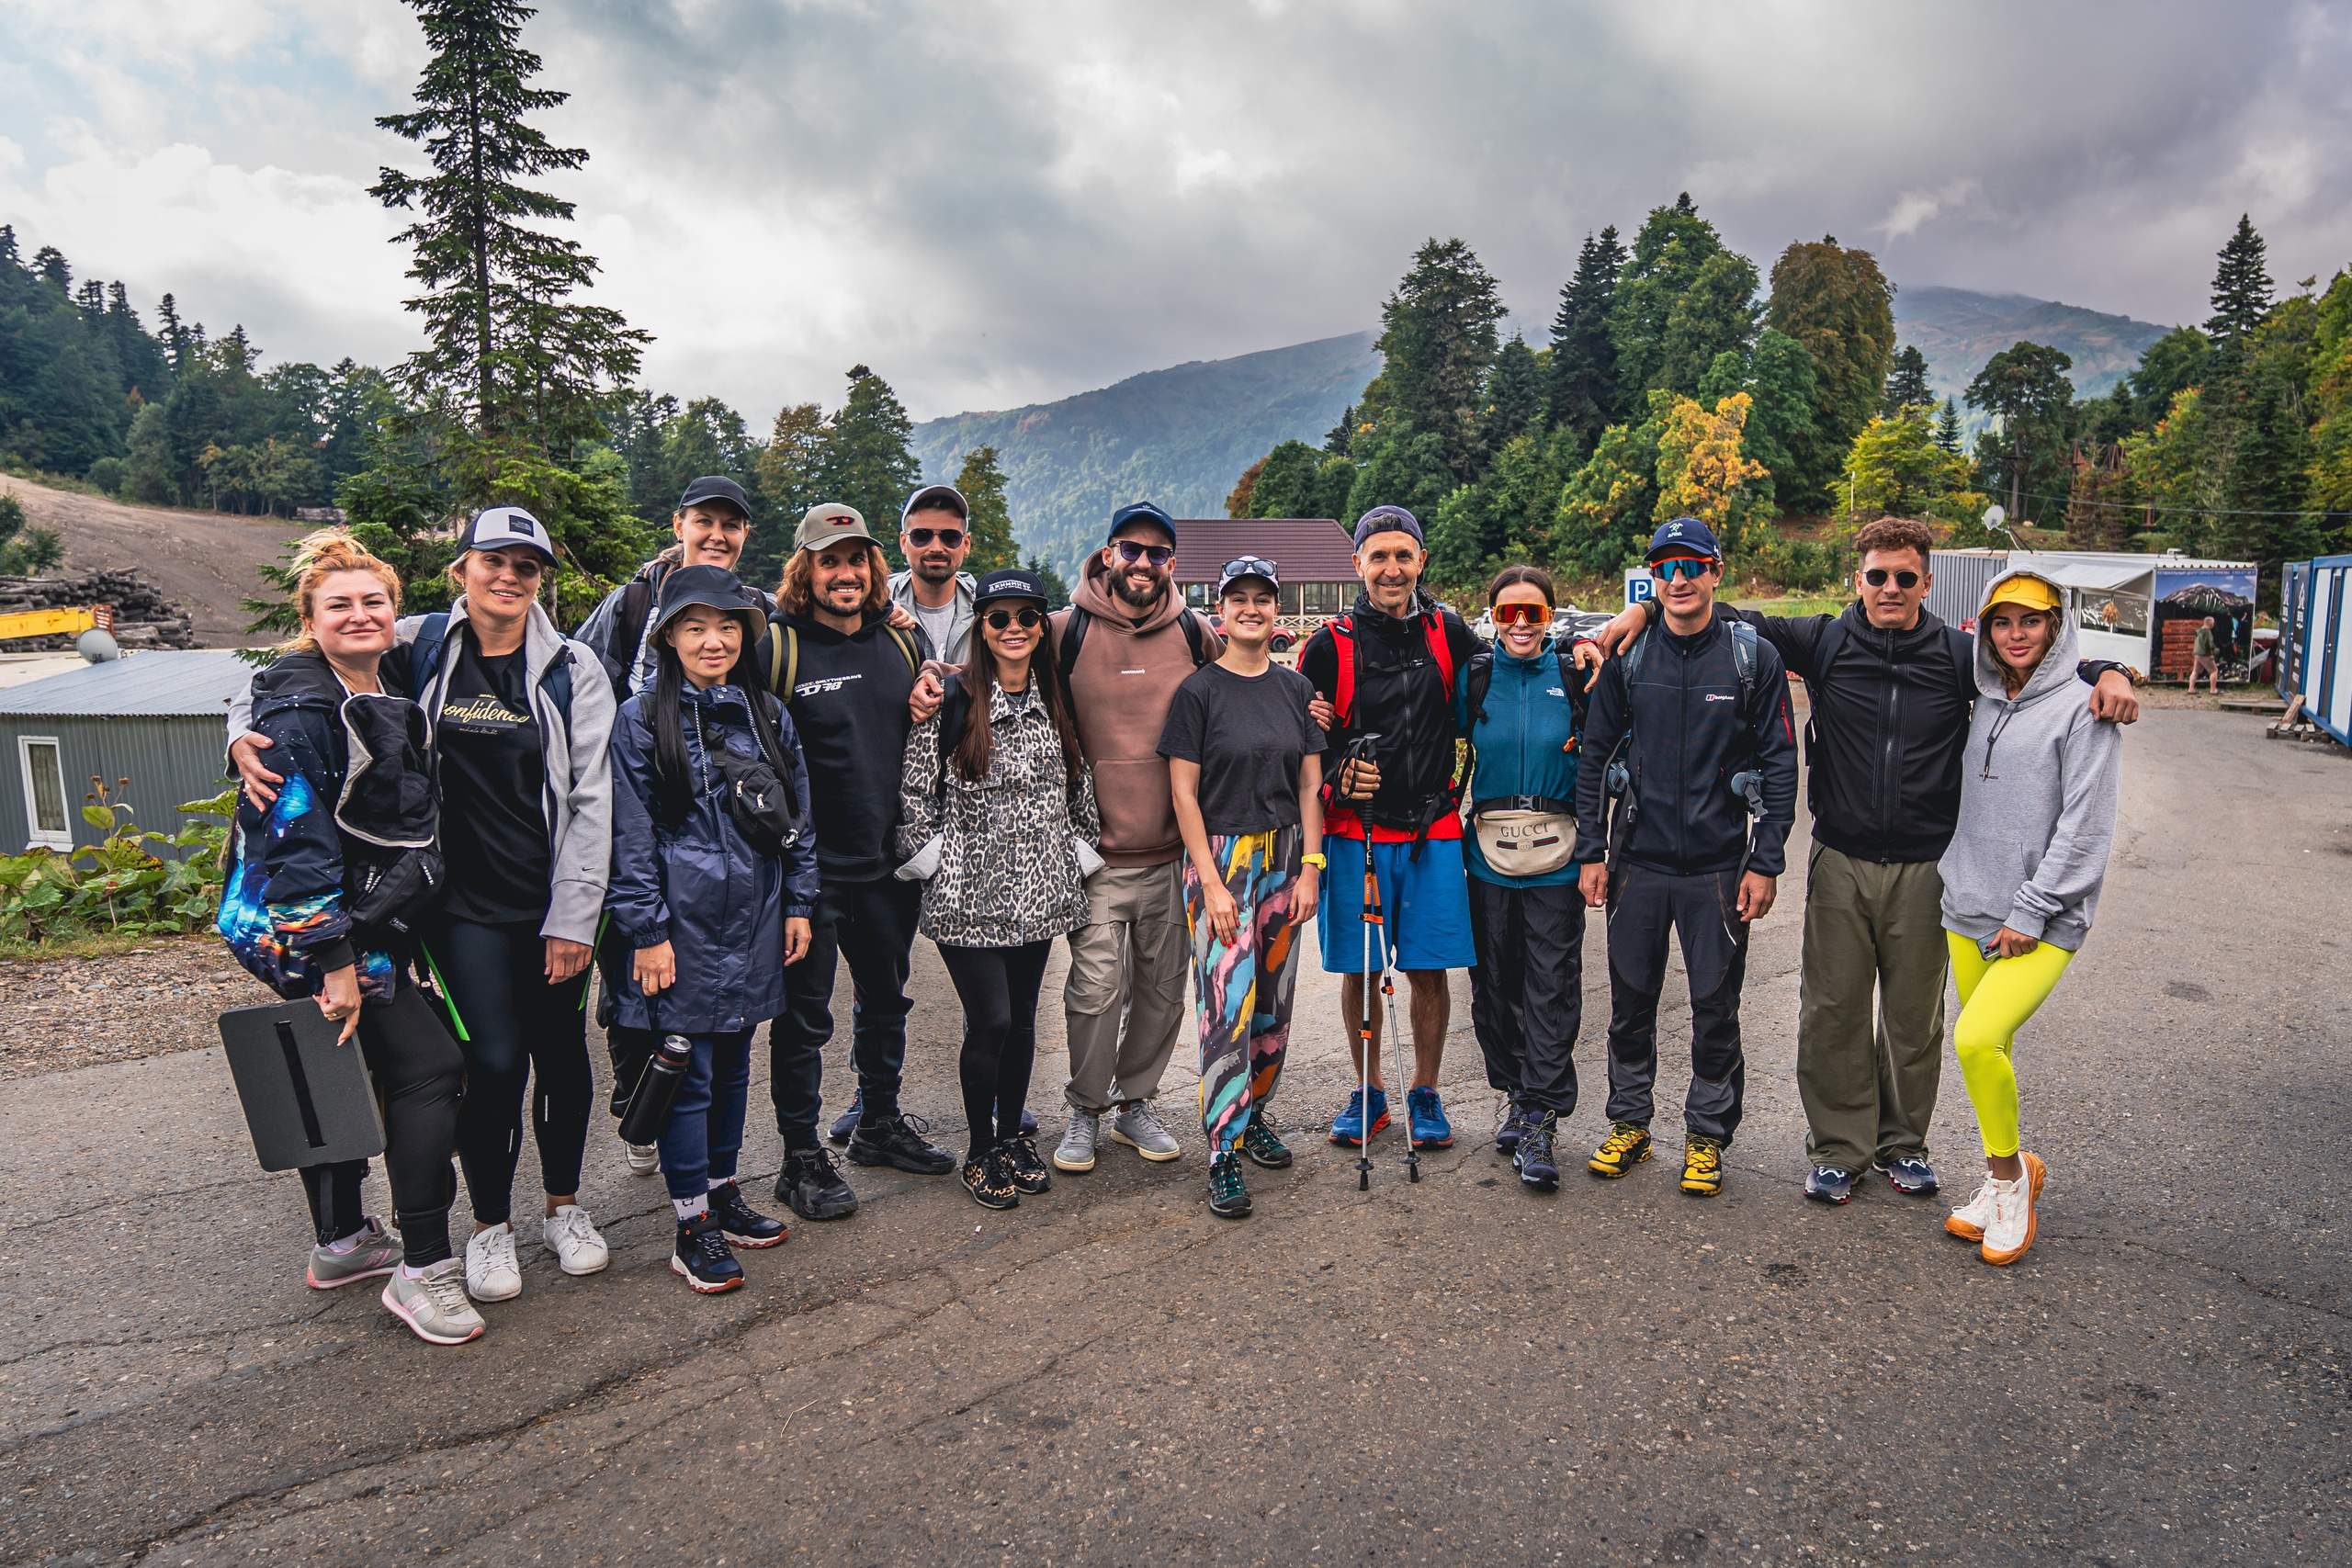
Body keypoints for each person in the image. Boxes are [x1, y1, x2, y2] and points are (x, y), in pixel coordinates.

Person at [1583, 515, 2139, 1204]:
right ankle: (1839, 1149)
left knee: (1913, 1018)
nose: (1891, 588)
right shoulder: (1823, 640)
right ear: (1859, 580)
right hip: (1840, 855)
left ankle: (1904, 1144)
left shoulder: (1958, 654)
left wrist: (2105, 668)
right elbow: (1723, 610)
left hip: (1927, 866)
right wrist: (1640, 607)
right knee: (1833, 1011)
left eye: (1907, 577)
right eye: (1877, 576)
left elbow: (2033, 660)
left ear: (1927, 582)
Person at [222, 507, 620, 1302]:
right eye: (492, 562)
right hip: (459, 906)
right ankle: (490, 1226)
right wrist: (240, 732)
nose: (507, 577)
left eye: (525, 566)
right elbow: (293, 674)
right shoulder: (420, 642)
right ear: (462, 569)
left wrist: (577, 915)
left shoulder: (571, 667)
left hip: (552, 903)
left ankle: (565, 1209)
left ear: (541, 579)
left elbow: (594, 797)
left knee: (564, 1056)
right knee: (493, 1060)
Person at [217, 531, 478, 1345]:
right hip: (308, 920)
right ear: (309, 619)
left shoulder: (373, 673)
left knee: (339, 1065)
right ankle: (422, 1269)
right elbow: (294, 847)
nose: (361, 614)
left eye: (375, 602)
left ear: (395, 614)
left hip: (331, 912)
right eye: (340, 605)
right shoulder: (301, 709)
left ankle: (341, 1242)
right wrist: (333, 961)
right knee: (431, 1068)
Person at [605, 566, 817, 1293]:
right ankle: (690, 1219)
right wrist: (647, 930)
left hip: (755, 916)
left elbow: (797, 819)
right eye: (695, 626)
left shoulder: (767, 715)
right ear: (668, 636)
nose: (714, 639)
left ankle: (722, 1189)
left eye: (727, 625)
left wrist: (799, 902)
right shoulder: (640, 718)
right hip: (680, 926)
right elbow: (629, 834)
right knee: (686, 1071)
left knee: (733, 1062)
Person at [1573, 518, 1797, 1199]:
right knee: (1630, 1004)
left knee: (1715, 1008)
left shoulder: (1751, 656)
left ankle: (1706, 1135)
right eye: (1664, 568)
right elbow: (1594, 757)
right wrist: (1592, 849)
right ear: (1652, 578)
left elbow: (1782, 763)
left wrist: (1767, 859)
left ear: (1715, 571)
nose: (1678, 579)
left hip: (1719, 867)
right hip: (1638, 861)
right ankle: (1630, 1123)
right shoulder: (1631, 659)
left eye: (1691, 565)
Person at [758, 502, 956, 1224]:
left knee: (885, 1001)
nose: (845, 573)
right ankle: (799, 1155)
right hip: (808, 873)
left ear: (876, 568)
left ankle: (877, 1123)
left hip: (884, 865)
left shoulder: (898, 643)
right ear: (805, 570)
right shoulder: (775, 648)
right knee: (805, 1018)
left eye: (856, 560)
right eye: (828, 560)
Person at [573, 476, 774, 1175]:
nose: (718, 534)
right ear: (679, 522)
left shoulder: (759, 609)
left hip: (729, 843)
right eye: (705, 521)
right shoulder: (630, 604)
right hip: (632, 823)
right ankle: (641, 1106)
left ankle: (694, 1155)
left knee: (715, 1015)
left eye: (732, 524)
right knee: (635, 992)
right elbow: (572, 682)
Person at [897, 568, 1102, 1211]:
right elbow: (914, 789)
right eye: (999, 618)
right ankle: (980, 1148)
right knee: (989, 1019)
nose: (1014, 629)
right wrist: (940, 863)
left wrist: (1078, 855)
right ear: (980, 628)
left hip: (1039, 891)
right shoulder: (954, 699)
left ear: (1042, 627)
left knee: (1020, 1025)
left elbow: (1079, 786)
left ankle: (1013, 1135)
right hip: (968, 897)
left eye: (1026, 618)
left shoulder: (1055, 698)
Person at [1939, 569, 2120, 1266]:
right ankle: (2000, 1174)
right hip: (1966, 905)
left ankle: (2012, 1182)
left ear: (2056, 626)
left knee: (1976, 1038)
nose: (2017, 635)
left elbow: (2085, 826)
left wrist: (2031, 910)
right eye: (2003, 622)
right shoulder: (1981, 698)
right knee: (1995, 1053)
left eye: (2033, 621)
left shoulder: (2085, 708)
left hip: (2039, 920)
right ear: (1986, 630)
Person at [1297, 505, 1482, 1150]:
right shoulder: (1328, 646)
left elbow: (1507, 680)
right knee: (1361, 969)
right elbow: (1303, 751)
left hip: (1432, 829)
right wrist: (1336, 778)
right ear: (1358, 565)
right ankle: (1370, 1090)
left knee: (1430, 972)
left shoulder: (1451, 634)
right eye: (1379, 556)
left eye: (1404, 555)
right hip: (1357, 833)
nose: (1392, 568)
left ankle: (1424, 1091)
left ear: (1421, 561)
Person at [1045, 502, 1219, 1175]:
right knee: (1094, 988)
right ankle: (1085, 1105)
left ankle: (1134, 1102)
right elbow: (992, 668)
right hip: (1095, 855)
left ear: (1172, 563)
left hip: (1173, 852)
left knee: (1161, 989)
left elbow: (1240, 692)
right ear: (1109, 552)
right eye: (1131, 549)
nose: (1143, 562)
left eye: (1157, 552)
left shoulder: (1196, 633)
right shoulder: (1066, 629)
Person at [1159, 556, 1326, 1219]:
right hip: (1221, 860)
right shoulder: (1198, 692)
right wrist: (1210, 881)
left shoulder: (1295, 689)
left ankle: (1255, 1112)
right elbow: (1183, 792)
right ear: (1219, 611)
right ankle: (1222, 1149)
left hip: (1286, 854)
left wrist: (1311, 866)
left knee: (1273, 1007)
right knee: (1226, 1008)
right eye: (1239, 599)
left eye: (1263, 598)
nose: (1251, 608)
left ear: (1275, 611)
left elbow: (1311, 783)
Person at [1455, 565, 1588, 1192]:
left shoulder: (1576, 673)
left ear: (1552, 616)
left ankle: (1540, 1113)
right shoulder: (1476, 677)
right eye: (1508, 612)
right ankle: (1515, 1090)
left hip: (1557, 860)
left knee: (1552, 986)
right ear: (1492, 618)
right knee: (1495, 982)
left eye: (1532, 611)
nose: (1521, 623)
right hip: (1488, 856)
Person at [889, 484, 978, 667]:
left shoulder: (987, 611)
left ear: (966, 544)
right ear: (904, 543)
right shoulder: (876, 603)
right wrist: (878, 611)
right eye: (921, 536)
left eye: (950, 537)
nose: (936, 548)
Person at [2190, 615, 2220, 694]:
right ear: (2211, 623)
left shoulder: (2199, 631)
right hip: (2204, 654)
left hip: (2197, 653)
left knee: (2195, 671)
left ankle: (2191, 689)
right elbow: (2208, 644)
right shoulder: (2207, 632)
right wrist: (2211, 654)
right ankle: (2213, 690)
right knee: (2214, 671)